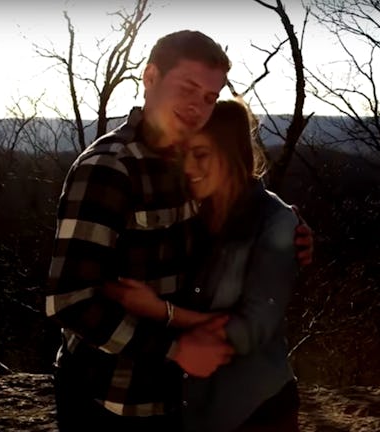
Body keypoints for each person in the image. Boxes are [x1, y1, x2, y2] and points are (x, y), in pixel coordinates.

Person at [44, 30, 312, 432]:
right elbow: (69, 301)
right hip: (110, 401)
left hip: (179, 402)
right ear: (150, 77)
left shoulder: (183, 165)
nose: (198, 106)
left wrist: (291, 231)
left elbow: (241, 203)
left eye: (209, 97)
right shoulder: (108, 167)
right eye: (188, 88)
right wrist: (174, 348)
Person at [105, 99, 302, 432]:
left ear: (232, 152)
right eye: (183, 155)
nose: (188, 167)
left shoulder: (275, 222)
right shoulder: (187, 214)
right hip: (192, 410)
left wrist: (162, 312)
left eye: (201, 154)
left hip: (258, 411)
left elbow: (250, 330)